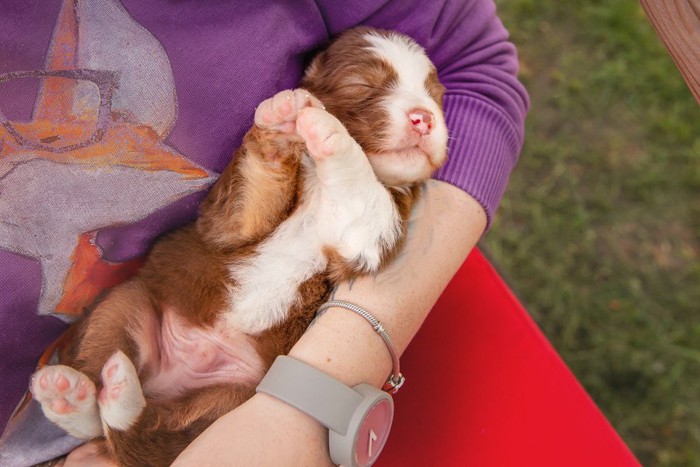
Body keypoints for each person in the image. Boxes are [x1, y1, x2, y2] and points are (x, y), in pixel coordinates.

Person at [0, 0, 528, 464]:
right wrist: (280, 152)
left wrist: (307, 400)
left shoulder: (386, 199)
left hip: (236, 373)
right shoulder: (306, 153)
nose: (423, 114)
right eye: (367, 89)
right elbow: (233, 226)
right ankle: (102, 418)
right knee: (118, 330)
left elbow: (361, 240)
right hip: (168, 312)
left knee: (203, 397)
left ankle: (111, 421)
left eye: (431, 98)